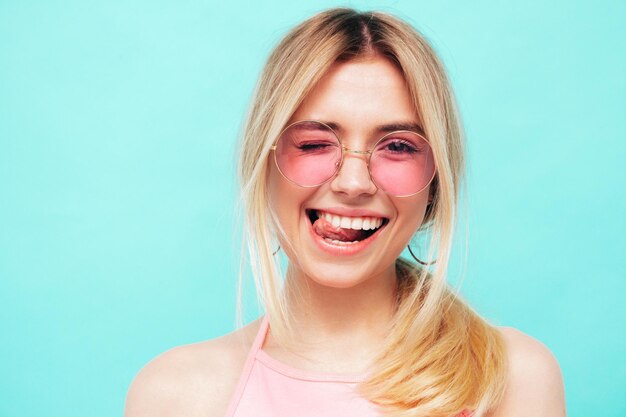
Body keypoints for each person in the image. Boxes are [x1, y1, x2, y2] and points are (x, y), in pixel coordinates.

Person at [124, 8, 565, 417]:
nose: (353, 183)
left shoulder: (513, 379)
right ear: (264, 165)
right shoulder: (175, 394)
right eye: (314, 143)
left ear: (435, 185)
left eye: (397, 147)